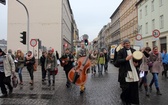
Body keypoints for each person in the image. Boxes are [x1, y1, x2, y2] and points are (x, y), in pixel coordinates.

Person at [116, 39, 141, 105]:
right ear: (124, 44)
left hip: (134, 72)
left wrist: (138, 63)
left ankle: (133, 101)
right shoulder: (120, 52)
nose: (128, 44)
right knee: (126, 88)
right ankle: (125, 100)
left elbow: (139, 59)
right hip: (125, 72)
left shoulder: (134, 51)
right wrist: (125, 59)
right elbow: (117, 62)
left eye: (128, 43)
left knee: (134, 88)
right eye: (126, 43)